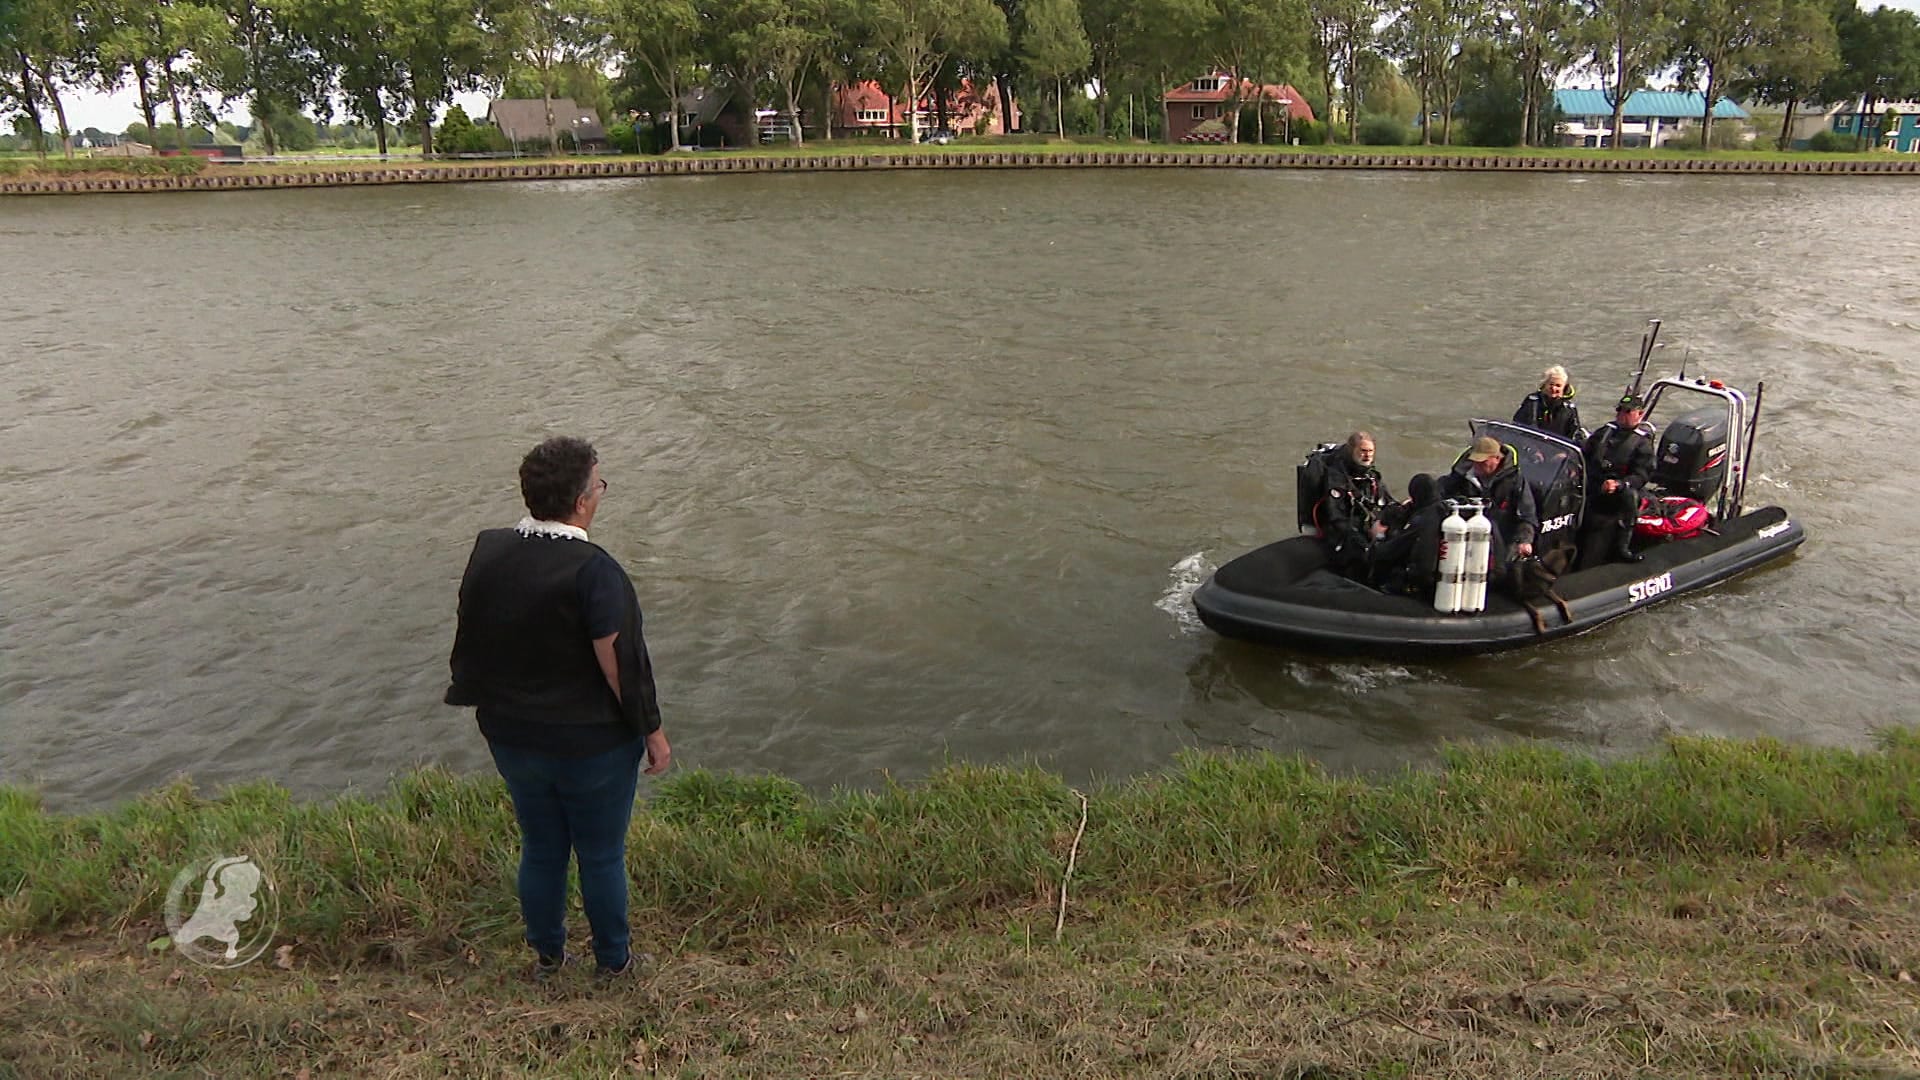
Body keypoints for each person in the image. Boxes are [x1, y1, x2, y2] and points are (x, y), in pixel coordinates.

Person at [446, 436, 671, 980]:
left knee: (542, 847)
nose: (601, 491)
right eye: (598, 484)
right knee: (599, 854)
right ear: (581, 502)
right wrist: (653, 733)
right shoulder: (595, 571)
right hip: (589, 744)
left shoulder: (491, 549)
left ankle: (548, 957)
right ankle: (613, 962)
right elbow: (619, 665)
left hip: (511, 734)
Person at [1439, 435, 1539, 575]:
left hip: (1501, 536)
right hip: (1465, 532)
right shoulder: (1462, 474)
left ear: (1497, 459)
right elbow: (1441, 488)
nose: (1477, 465)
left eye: (1482, 462)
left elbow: (1527, 515)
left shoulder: (1515, 480)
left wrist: (1524, 541)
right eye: (1475, 461)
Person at [1582, 393, 1656, 564]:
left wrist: (1619, 484)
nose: (1622, 415)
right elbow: (1586, 451)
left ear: (1639, 414)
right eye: (1620, 410)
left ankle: (1623, 547)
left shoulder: (1642, 443)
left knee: (1630, 495)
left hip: (1618, 492)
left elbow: (1642, 475)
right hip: (1594, 485)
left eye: (1627, 412)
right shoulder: (1605, 431)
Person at [1313, 431, 1394, 580]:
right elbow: (1336, 517)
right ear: (1352, 451)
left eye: (1370, 451)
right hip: (1344, 533)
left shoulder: (1372, 476)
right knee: (1362, 552)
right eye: (1363, 451)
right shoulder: (1336, 477)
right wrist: (1364, 539)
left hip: (1369, 526)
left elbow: (1387, 501)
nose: (1367, 455)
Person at [1512, 364, 1585, 443]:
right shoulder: (1532, 402)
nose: (1553, 388)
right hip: (1531, 447)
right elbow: (1519, 427)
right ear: (1544, 384)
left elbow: (1574, 435)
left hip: (1559, 450)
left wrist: (1563, 454)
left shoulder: (1569, 409)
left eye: (1558, 386)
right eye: (1551, 384)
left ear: (1564, 388)